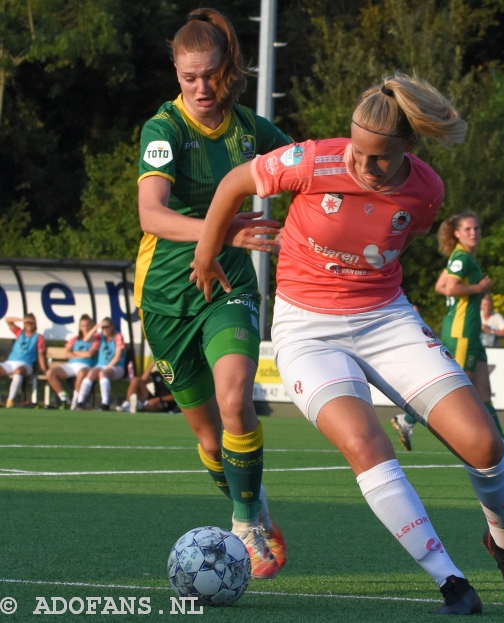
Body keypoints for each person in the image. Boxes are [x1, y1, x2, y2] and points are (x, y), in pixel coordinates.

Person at [191, 72, 504, 613]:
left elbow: (410, 231)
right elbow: (235, 183)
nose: (362, 165)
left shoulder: (427, 188)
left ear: (408, 148)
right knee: (366, 444)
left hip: (385, 319)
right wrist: (206, 252)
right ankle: (451, 581)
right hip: (307, 329)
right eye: (357, 152)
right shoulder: (310, 161)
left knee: (485, 447)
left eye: (379, 158)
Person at [135, 7, 292, 579]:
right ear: (176, 74)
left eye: (210, 75)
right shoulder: (165, 129)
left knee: (234, 403)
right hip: (167, 295)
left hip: (229, 288)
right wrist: (222, 229)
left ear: (227, 68)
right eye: (188, 77)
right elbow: (151, 214)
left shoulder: (252, 129)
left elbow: (309, 171)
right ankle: (251, 501)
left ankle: (246, 525)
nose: (201, 88)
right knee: (207, 436)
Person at [392, 213, 504, 458]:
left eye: (476, 228)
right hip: (461, 332)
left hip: (471, 333)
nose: (473, 233)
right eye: (467, 229)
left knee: (483, 390)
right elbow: (450, 287)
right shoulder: (462, 258)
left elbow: (439, 285)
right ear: (456, 232)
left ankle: (502, 442)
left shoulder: (461, 257)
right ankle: (407, 419)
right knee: (454, 390)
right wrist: (480, 288)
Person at [45, 314, 99, 409]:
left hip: (86, 365)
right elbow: (67, 354)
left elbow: (90, 354)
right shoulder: (75, 339)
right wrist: (82, 353)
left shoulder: (96, 339)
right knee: (50, 373)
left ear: (92, 326)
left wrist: (75, 353)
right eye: (83, 325)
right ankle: (64, 398)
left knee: (82, 373)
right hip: (71, 365)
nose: (85, 328)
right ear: (79, 327)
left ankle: (75, 401)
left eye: (88, 325)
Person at [73, 318, 126, 411]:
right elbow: (86, 340)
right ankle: (80, 402)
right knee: (91, 373)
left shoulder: (118, 336)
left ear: (112, 327)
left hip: (116, 366)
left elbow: (117, 357)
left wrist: (107, 368)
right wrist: (97, 326)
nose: (104, 330)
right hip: (101, 366)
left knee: (102, 373)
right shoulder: (100, 337)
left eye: (107, 327)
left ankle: (105, 404)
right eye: (103, 328)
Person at [1, 314, 47, 408]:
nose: (29, 324)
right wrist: (22, 319)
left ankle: (10, 401)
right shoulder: (19, 333)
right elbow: (8, 320)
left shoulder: (39, 337)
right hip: (11, 362)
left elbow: (41, 355)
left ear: (35, 324)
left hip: (26, 364)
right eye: (27, 322)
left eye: (31, 322)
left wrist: (44, 369)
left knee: (18, 371)